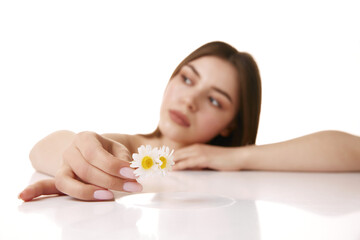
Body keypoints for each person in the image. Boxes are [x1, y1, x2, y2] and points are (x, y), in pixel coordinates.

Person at [18, 41, 360, 202]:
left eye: (214, 99)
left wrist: (234, 157)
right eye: (187, 79)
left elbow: (352, 151)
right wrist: (80, 151)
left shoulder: (235, 166)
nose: (189, 100)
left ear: (230, 123)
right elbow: (43, 149)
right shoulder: (128, 147)